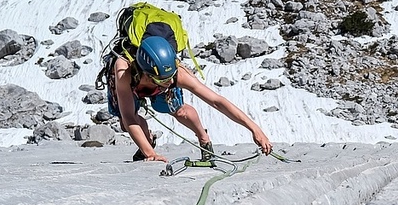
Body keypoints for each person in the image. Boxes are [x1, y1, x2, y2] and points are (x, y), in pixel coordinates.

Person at [102, 33, 272, 163]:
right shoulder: (123, 71)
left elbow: (217, 101)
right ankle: (148, 141)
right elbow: (128, 116)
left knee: (179, 111)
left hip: (148, 82)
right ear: (146, 73)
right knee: (126, 123)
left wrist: (254, 129)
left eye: (171, 77)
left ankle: (204, 139)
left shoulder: (177, 75)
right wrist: (151, 154)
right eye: (163, 80)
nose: (169, 83)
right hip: (133, 85)